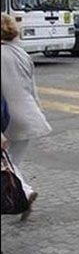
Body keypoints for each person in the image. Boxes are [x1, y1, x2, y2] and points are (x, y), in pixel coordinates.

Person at [1, 13, 52, 221]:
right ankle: (23, 193)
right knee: (12, 161)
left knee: (8, 163)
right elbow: (32, 87)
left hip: (8, 118)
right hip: (29, 115)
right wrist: (38, 111)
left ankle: (25, 192)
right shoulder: (22, 53)